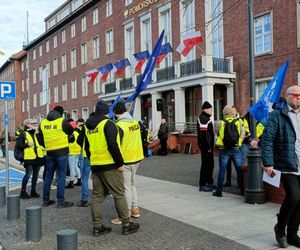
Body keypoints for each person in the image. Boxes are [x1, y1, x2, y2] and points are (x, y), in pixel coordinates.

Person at [84, 100, 139, 236]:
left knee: (97, 196)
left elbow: (87, 147)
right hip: (110, 166)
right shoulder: (108, 124)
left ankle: (97, 226)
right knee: (119, 194)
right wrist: (119, 163)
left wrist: (93, 161)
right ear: (107, 112)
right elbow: (112, 145)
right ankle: (126, 223)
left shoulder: (88, 126)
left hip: (96, 166)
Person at [261, 85, 300, 248]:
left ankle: (292, 234)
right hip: (286, 163)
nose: (299, 97)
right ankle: (280, 228)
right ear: (288, 96)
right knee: (294, 196)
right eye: (296, 95)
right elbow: (267, 139)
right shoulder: (277, 115)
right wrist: (268, 162)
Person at [111, 101, 144, 224]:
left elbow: (116, 144)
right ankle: (135, 209)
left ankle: (125, 213)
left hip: (126, 159)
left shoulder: (119, 125)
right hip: (137, 157)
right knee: (132, 185)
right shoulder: (134, 122)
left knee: (125, 188)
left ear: (115, 113)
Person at [37, 105, 74, 208]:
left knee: (48, 176)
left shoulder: (43, 123)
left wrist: (46, 146)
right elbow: (71, 131)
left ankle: (45, 200)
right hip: (62, 152)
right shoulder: (62, 121)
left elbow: (39, 137)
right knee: (61, 176)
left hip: (49, 153)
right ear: (61, 113)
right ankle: (60, 201)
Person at [213, 105, 244, 197]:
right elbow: (242, 134)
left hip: (224, 149)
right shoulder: (239, 122)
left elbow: (216, 133)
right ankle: (242, 190)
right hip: (236, 148)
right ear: (234, 112)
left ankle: (219, 191)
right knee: (239, 169)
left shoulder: (220, 122)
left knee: (222, 170)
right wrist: (239, 142)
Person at [17, 119, 45, 199]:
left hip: (37, 157)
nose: (35, 125)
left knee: (35, 176)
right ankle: (23, 192)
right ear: (27, 124)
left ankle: (33, 191)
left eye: (35, 124)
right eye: (33, 124)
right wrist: (27, 144)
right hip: (29, 158)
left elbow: (40, 142)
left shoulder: (35, 133)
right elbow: (19, 145)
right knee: (28, 175)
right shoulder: (23, 133)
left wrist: (38, 133)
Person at [197, 101, 214, 192]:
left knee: (207, 164)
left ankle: (207, 182)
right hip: (206, 147)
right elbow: (205, 135)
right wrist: (209, 147)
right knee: (207, 165)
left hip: (204, 146)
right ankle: (204, 184)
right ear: (205, 109)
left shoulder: (203, 118)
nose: (211, 111)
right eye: (210, 109)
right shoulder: (204, 119)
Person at [76, 117, 91, 207]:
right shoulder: (104, 125)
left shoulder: (85, 127)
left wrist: (84, 146)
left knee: (85, 178)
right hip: (101, 156)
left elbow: (79, 140)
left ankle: (85, 199)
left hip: (86, 155)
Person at [66, 119, 82, 188]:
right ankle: (79, 180)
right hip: (78, 151)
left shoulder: (70, 133)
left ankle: (71, 182)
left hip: (71, 152)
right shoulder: (78, 132)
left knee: (71, 167)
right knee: (76, 166)